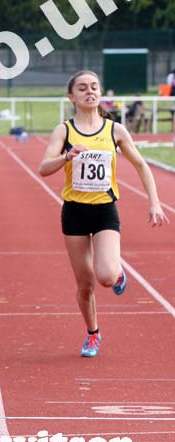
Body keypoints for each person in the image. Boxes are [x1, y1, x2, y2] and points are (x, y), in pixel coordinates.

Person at [38, 70, 168, 358]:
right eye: (82, 88)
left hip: (105, 212)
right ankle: (93, 333)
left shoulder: (115, 131)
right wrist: (66, 157)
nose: (90, 91)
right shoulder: (65, 131)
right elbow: (43, 168)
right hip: (74, 213)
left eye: (94, 87)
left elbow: (141, 166)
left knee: (106, 276)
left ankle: (118, 276)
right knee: (85, 285)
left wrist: (154, 202)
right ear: (72, 96)